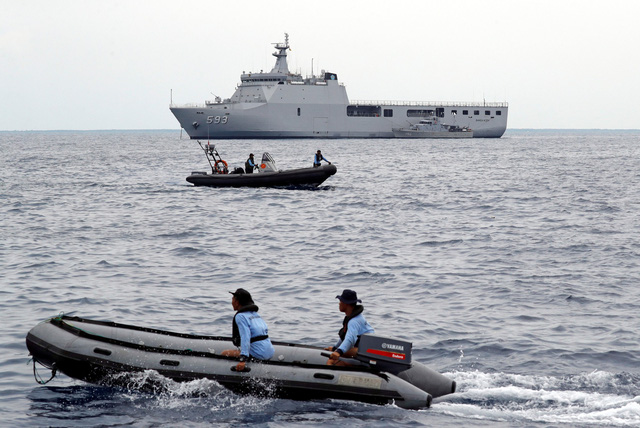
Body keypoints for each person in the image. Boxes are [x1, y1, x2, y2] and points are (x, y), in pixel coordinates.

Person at [221, 288, 275, 371]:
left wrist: (243, 359)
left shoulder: (240, 316)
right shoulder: (256, 315)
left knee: (224, 353)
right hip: (270, 352)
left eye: (232, 299)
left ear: (237, 302)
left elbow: (245, 336)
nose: (231, 302)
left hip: (258, 354)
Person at [325, 289, 374, 365]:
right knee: (340, 357)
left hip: (367, 351)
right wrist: (335, 348)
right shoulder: (353, 317)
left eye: (341, 301)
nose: (339, 303)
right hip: (364, 349)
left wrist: (339, 351)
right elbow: (344, 337)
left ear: (346, 304)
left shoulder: (354, 321)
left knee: (331, 360)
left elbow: (350, 338)